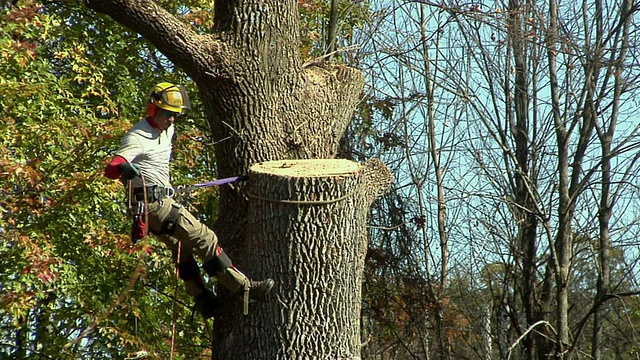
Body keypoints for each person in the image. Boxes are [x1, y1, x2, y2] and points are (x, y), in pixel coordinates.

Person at [104, 82, 274, 318]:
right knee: (205, 238)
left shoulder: (167, 131)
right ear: (153, 109)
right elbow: (111, 167)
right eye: (168, 114)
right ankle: (244, 289)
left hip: (158, 204)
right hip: (154, 205)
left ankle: (203, 300)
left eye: (175, 115)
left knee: (181, 249)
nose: (172, 120)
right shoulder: (138, 136)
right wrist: (124, 169)